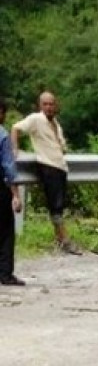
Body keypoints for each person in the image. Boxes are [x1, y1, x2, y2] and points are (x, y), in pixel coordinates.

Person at [12, 91, 80, 253]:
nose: (49, 107)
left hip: (60, 166)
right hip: (48, 166)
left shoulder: (55, 123)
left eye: (51, 104)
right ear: (40, 105)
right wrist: (14, 149)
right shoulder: (36, 119)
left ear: (55, 106)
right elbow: (15, 128)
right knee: (56, 205)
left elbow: (61, 146)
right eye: (45, 104)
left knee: (59, 204)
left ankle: (59, 239)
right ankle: (65, 240)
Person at [0, 99, 24, 286]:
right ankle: (5, 274)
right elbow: (8, 167)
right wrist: (15, 194)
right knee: (6, 231)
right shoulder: (2, 135)